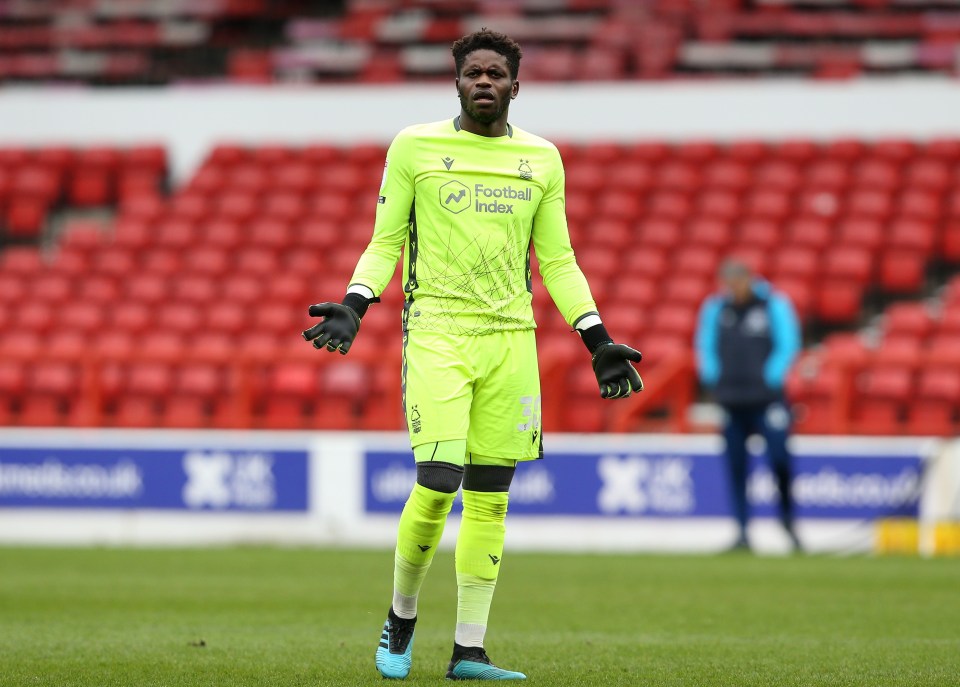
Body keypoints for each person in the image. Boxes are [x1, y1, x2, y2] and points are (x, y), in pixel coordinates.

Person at [302, 29, 643, 681]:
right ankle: (401, 617)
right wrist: (355, 301)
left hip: (511, 339)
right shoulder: (416, 146)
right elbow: (385, 241)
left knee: (491, 496)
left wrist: (596, 339)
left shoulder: (542, 159)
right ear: (455, 82)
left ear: (517, 85)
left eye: (495, 73)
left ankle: (469, 649)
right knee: (437, 483)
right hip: (437, 333)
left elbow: (559, 260)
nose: (483, 82)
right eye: (472, 73)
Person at [694, 258, 802, 552]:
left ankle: (789, 523)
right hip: (732, 401)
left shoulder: (774, 305)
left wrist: (772, 376)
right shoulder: (716, 308)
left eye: (737, 279)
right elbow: (705, 344)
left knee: (780, 461)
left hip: (768, 400)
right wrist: (713, 378)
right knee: (736, 466)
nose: (732, 286)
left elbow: (788, 343)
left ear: (749, 278)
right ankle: (742, 531)